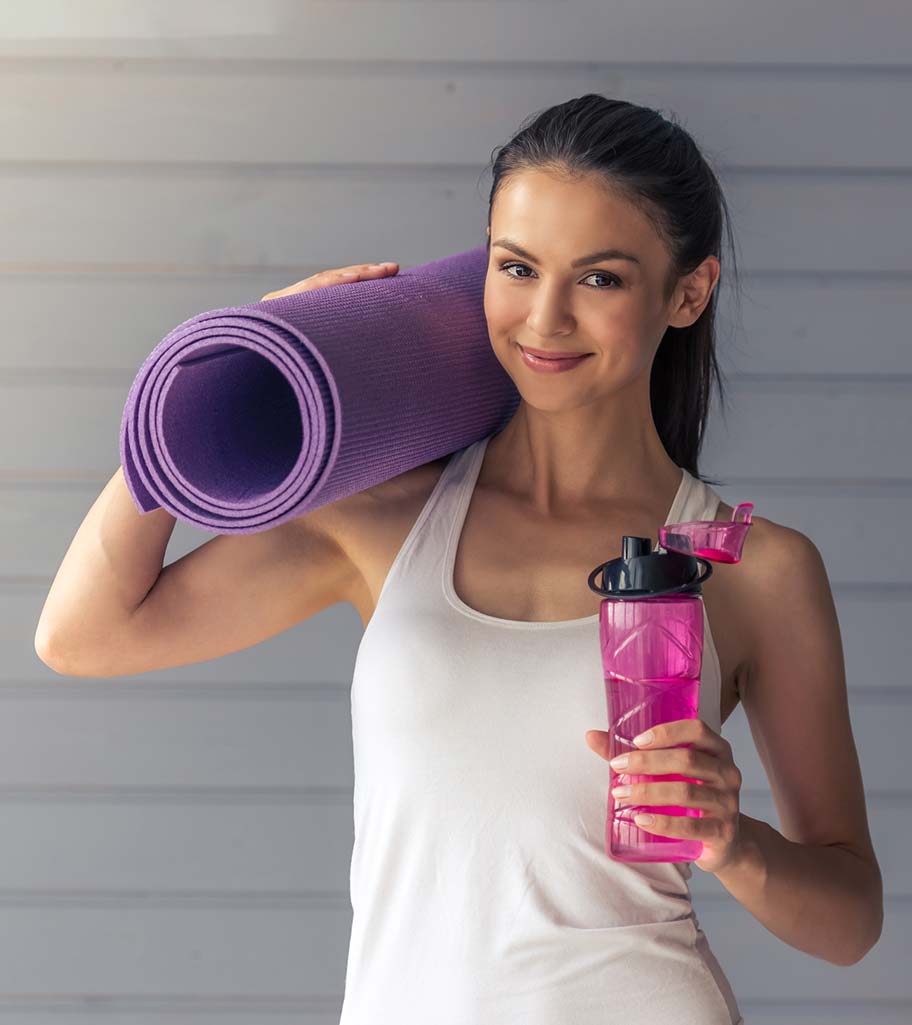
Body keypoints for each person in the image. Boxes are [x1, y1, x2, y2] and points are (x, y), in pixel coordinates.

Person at [35, 94, 882, 1023]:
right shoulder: (383, 515)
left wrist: (736, 844)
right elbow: (82, 635)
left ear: (689, 292)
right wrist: (202, 380)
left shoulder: (749, 566)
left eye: (599, 279)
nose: (545, 317)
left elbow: (849, 920)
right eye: (517, 267)